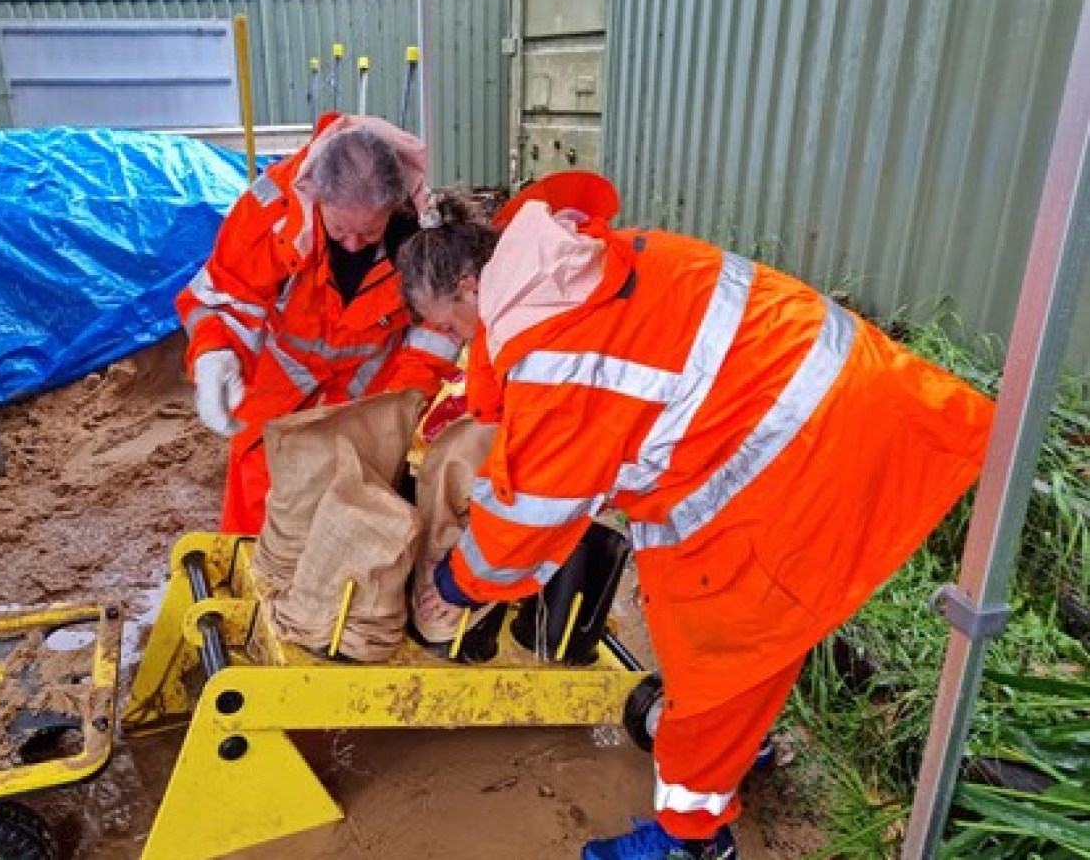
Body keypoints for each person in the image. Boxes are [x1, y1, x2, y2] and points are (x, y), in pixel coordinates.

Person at [396, 171, 994, 859]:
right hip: (853, 395)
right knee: (747, 636)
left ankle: (693, 837)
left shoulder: (555, 351)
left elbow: (528, 522)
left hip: (795, 461)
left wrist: (455, 584)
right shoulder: (576, 261)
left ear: (471, 288)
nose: (458, 340)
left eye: (448, 325)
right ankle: (742, 746)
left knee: (716, 653)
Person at [176, 113, 462, 533]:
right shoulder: (270, 213)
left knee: (357, 500)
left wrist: (403, 400)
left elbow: (439, 327)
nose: (352, 244)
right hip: (279, 383)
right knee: (259, 489)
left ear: (394, 206)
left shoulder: (424, 232)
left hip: (373, 391)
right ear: (316, 197)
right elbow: (227, 295)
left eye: (369, 233)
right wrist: (214, 355)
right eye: (340, 228)